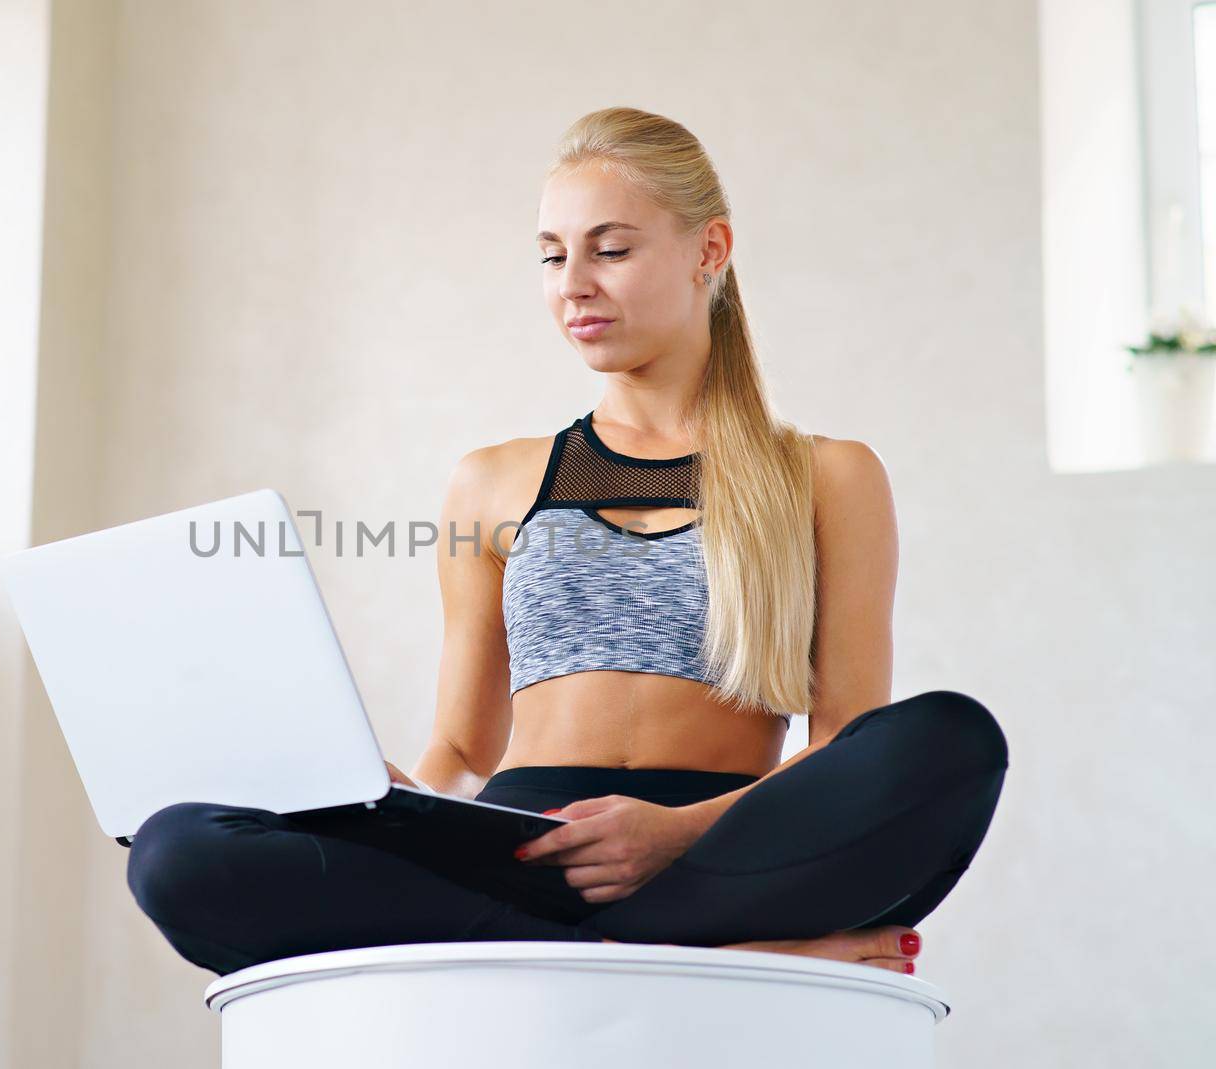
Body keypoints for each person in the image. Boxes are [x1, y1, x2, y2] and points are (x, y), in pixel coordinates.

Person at [125, 106, 1009, 979]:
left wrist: (670, 833)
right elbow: (464, 753)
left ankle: (609, 939)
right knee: (175, 849)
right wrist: (385, 796)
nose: (572, 284)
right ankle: (632, 954)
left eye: (610, 250)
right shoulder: (493, 480)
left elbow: (844, 743)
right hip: (515, 855)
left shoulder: (828, 476)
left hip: (714, 852)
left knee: (950, 737)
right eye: (552, 256)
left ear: (710, 251)